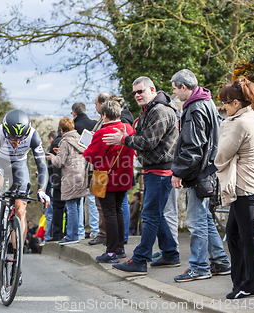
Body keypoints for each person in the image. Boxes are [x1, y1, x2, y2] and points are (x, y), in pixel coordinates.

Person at [104, 76, 180, 274]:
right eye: (135, 92)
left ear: (152, 89)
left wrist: (123, 139)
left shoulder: (160, 111)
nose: (137, 95)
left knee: (149, 215)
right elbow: (143, 139)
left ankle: (140, 259)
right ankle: (171, 254)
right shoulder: (150, 109)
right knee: (156, 214)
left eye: (141, 91)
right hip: (154, 169)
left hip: (160, 170)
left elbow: (148, 142)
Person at [170, 69, 231, 282]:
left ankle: (199, 267)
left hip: (198, 174)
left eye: (176, 89)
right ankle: (221, 262)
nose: (175, 94)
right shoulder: (208, 103)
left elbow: (192, 147)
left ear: (184, 87)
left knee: (196, 222)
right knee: (204, 219)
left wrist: (178, 172)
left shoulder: (195, 108)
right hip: (208, 171)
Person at [215, 78, 254, 299]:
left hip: (243, 186)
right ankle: (240, 281)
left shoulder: (239, 122)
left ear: (236, 102)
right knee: (234, 233)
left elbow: (222, 154)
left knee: (246, 236)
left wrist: (224, 126)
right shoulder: (246, 117)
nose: (223, 107)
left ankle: (250, 285)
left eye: (225, 103)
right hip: (246, 184)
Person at [0, 109, 50, 254]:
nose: (17, 142)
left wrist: (42, 190)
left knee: (20, 208)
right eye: (13, 138)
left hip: (18, 165)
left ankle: (17, 256)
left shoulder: (33, 136)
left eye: (20, 139)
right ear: (5, 131)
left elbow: (42, 166)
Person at [83, 101, 135, 263]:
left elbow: (91, 156)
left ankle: (111, 251)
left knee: (109, 213)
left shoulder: (103, 132)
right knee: (118, 210)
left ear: (104, 115)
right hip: (124, 176)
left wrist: (86, 147)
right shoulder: (128, 129)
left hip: (107, 177)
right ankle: (119, 248)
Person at [48, 117, 88, 245]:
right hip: (82, 175)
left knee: (71, 207)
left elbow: (59, 163)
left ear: (61, 129)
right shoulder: (80, 138)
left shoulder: (65, 142)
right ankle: (76, 234)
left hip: (70, 177)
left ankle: (72, 235)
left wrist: (52, 157)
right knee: (77, 206)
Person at [71, 102, 99, 240]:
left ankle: (80, 232)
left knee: (80, 199)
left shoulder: (73, 127)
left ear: (74, 113)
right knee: (94, 197)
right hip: (94, 164)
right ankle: (95, 229)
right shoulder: (94, 124)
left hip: (78, 165)